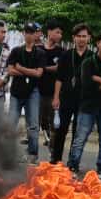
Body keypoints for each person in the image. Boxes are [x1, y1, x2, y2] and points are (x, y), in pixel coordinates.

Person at [69, 31, 101, 175]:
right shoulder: (88, 62)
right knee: (80, 139)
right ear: (97, 43)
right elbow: (85, 85)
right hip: (88, 106)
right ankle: (73, 166)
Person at [51, 23, 91, 164]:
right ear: (74, 38)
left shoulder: (92, 57)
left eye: (84, 36)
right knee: (61, 130)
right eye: (78, 36)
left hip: (83, 100)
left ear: (89, 38)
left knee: (78, 133)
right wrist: (56, 97)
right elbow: (59, 78)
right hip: (66, 98)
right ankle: (55, 160)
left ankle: (73, 163)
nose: (81, 39)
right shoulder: (66, 55)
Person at [6, 22, 45, 162]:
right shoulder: (16, 51)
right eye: (27, 32)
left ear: (36, 34)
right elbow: (10, 70)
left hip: (33, 92)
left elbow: (39, 73)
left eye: (32, 32)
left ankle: (33, 154)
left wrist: (20, 68)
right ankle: (8, 154)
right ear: (24, 33)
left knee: (33, 125)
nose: (29, 35)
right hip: (16, 91)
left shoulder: (40, 53)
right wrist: (30, 72)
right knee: (11, 123)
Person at [38, 20, 65, 149]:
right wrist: (46, 68)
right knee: (40, 119)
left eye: (61, 33)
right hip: (38, 91)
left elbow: (60, 69)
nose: (60, 35)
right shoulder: (38, 49)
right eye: (57, 32)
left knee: (55, 121)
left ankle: (53, 147)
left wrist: (42, 69)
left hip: (54, 91)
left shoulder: (61, 51)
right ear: (49, 32)